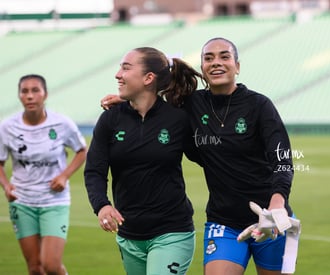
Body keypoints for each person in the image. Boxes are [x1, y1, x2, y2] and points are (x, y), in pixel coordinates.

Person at [101, 38, 300, 275]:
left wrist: (277, 203)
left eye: (224, 57)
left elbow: (282, 159)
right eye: (209, 58)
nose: (216, 63)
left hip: (270, 219)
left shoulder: (259, 105)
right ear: (203, 68)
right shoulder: (190, 106)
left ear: (237, 66)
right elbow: (154, 105)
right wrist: (128, 101)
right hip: (223, 221)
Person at [84, 47, 202, 275]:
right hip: (129, 234)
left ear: (149, 78)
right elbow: (94, 170)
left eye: (126, 68)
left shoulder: (178, 119)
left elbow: (209, 158)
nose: (118, 74)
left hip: (172, 231)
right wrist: (102, 205)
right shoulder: (110, 119)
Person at [0, 74, 87, 275]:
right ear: (20, 96)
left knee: (51, 265)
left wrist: (64, 176)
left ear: (45, 94)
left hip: (54, 201)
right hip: (22, 201)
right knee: (35, 268)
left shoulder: (61, 124)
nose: (30, 96)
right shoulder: (7, 127)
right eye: (25, 91)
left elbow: (82, 151)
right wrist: (6, 186)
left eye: (35, 90)